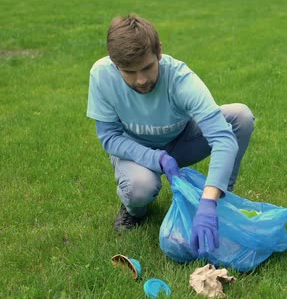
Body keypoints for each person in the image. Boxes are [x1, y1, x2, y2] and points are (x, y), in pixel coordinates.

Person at [86, 14, 255, 256]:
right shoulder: (101, 76)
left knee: (240, 116)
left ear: (159, 52)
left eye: (147, 67)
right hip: (135, 152)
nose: (141, 79)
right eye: (129, 72)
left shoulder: (180, 78)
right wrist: (156, 159)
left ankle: (220, 202)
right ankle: (134, 212)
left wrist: (208, 202)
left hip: (181, 141)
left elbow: (222, 137)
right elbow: (110, 138)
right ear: (115, 64)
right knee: (140, 187)